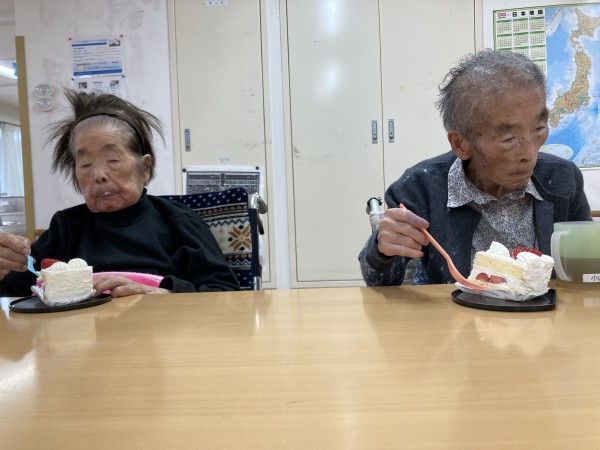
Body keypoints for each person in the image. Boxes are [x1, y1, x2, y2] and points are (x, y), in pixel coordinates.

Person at [359, 49, 591, 286]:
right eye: (508, 139)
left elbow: (586, 275)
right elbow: (383, 284)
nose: (529, 154)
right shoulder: (420, 188)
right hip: (452, 310)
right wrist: (381, 251)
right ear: (461, 144)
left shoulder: (561, 179)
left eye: (538, 129)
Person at [0, 89, 239, 297]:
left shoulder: (179, 223)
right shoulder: (66, 227)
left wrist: (161, 294)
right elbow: (15, 290)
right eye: (85, 165)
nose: (98, 175)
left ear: (145, 167)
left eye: (113, 160)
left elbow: (225, 294)